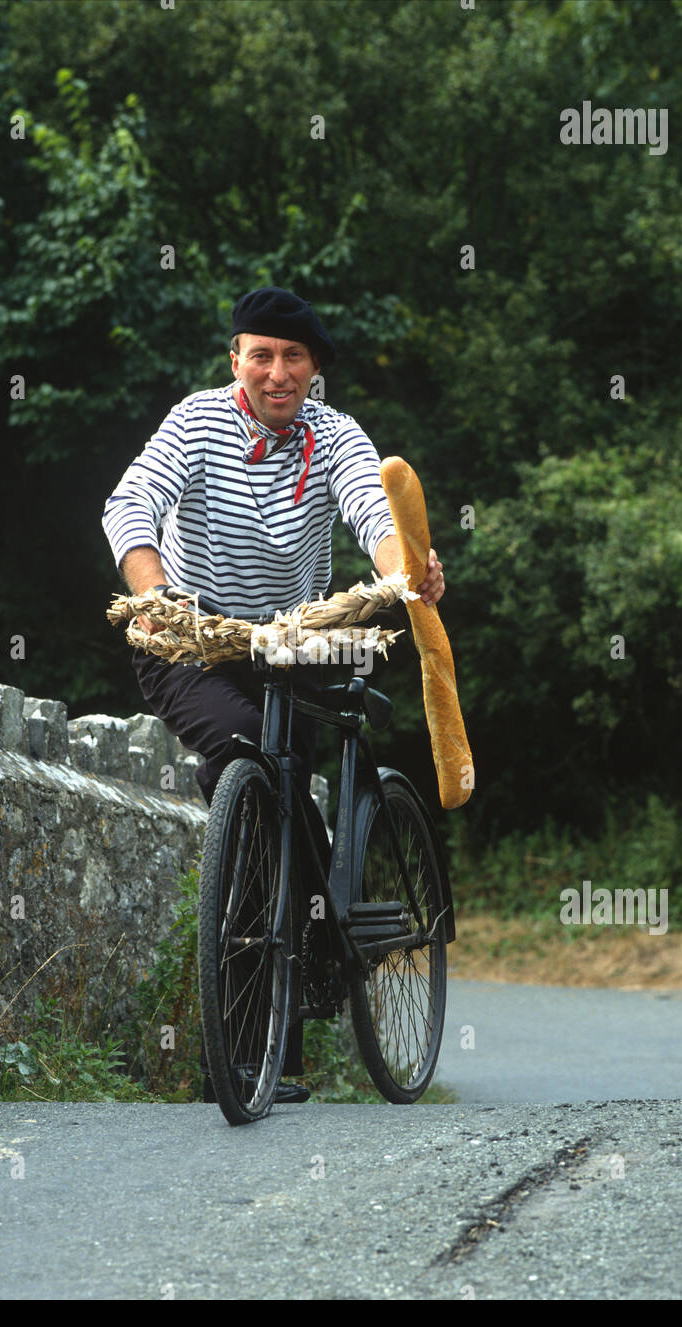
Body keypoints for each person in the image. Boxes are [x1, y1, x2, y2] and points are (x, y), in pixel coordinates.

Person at [102, 287, 444, 1104]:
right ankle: (257, 1020)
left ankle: (282, 1051)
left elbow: (371, 506)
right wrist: (155, 598)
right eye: (262, 354)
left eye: (295, 358)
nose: (277, 372)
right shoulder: (195, 421)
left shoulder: (334, 437)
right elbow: (131, 505)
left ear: (314, 369)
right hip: (196, 644)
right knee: (246, 756)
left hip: (295, 646)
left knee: (277, 772)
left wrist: (406, 568)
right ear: (236, 361)